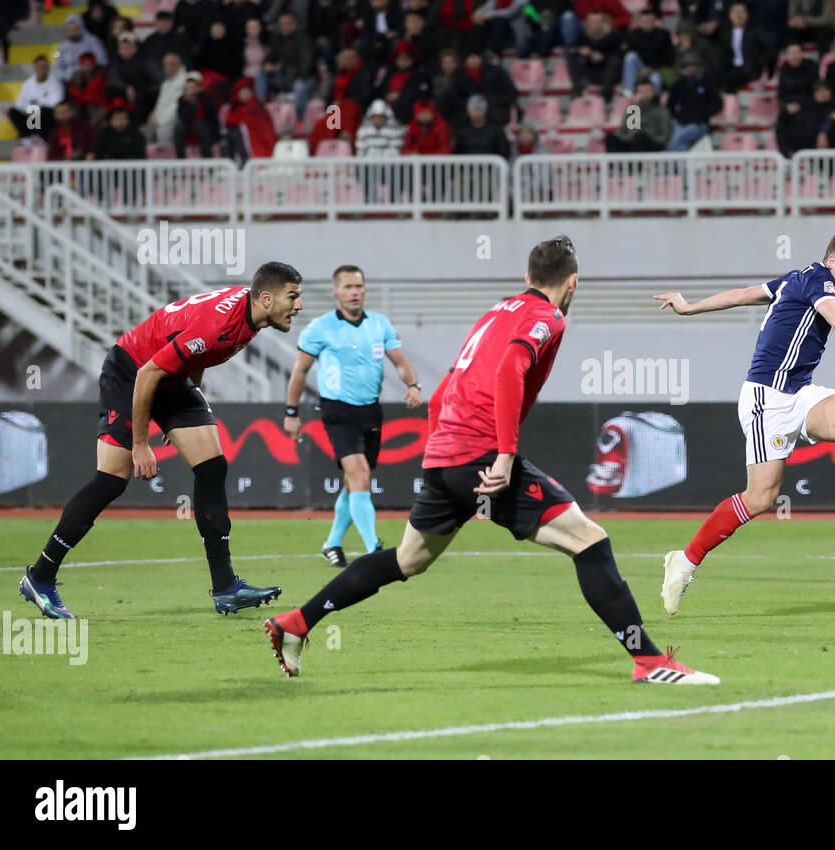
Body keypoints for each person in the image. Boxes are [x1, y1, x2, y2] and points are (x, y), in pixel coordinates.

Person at [263, 237, 719, 686]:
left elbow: (448, 385)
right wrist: (502, 455)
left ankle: (296, 623)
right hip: (481, 457)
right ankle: (649, 661)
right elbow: (508, 372)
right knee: (590, 542)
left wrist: (442, 449)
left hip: (447, 454)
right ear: (573, 282)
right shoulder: (548, 317)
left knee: (407, 560)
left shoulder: (497, 311)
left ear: (527, 278)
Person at [652, 232, 835, 614]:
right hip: (767, 398)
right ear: (833, 261)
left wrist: (689, 306)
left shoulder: (794, 280)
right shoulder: (818, 281)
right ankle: (684, 560)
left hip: (800, 391)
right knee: (761, 498)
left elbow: (743, 293)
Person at [19, 264, 305, 621]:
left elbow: (196, 355)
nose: (299, 305)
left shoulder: (247, 316)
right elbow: (147, 373)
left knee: (212, 467)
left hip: (172, 377)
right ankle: (40, 576)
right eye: (292, 296)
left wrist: (185, 414)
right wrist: (141, 443)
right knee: (111, 479)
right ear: (266, 298)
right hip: (132, 371)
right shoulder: (217, 326)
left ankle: (225, 587)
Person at [284, 265, 422, 567]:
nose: (354, 292)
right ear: (336, 292)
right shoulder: (320, 328)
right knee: (359, 475)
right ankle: (375, 550)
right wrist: (291, 412)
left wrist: (412, 384)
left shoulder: (379, 324)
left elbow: (399, 361)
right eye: (347, 287)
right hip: (337, 409)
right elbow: (300, 371)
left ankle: (332, 544)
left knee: (355, 480)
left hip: (370, 410)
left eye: (358, 286)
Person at [666, 53, 722, 151]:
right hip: (681, 124)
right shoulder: (679, 84)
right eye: (688, 66)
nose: (691, 68)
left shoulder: (707, 83)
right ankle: (681, 165)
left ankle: (674, 166)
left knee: (678, 139)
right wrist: (678, 116)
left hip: (700, 125)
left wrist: (703, 116)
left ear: (699, 67)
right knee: (678, 141)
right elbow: (670, 105)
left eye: (693, 65)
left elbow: (717, 104)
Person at [605, 77, 671, 151]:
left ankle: (639, 161)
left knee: (640, 137)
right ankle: (612, 162)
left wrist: (648, 137)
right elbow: (622, 131)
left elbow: (665, 135)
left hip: (651, 143)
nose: (644, 94)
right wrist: (630, 137)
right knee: (610, 137)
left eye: (647, 91)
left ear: (653, 92)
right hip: (631, 142)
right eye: (641, 91)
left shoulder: (661, 111)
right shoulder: (632, 109)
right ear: (636, 93)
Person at [10, 56, 64, 141]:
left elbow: (57, 102)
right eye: (39, 66)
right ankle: (28, 136)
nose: (42, 69)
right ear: (35, 68)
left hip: (46, 117)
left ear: (48, 68)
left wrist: (38, 102)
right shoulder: (28, 83)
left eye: (44, 67)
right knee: (12, 111)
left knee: (45, 111)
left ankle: (38, 136)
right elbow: (19, 103)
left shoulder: (55, 83)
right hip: (31, 116)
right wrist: (32, 106)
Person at [54, 14, 108, 84]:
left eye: (76, 29)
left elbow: (102, 61)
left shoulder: (93, 41)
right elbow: (57, 67)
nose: (73, 33)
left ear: (82, 28)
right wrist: (67, 76)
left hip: (89, 78)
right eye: (70, 30)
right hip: (69, 80)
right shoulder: (63, 46)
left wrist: (86, 69)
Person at [454, 92, 511, 156]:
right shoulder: (462, 131)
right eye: (474, 110)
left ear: (485, 110)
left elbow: (504, 152)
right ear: (468, 111)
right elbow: (457, 154)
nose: (477, 113)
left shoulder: (496, 130)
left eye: (480, 109)